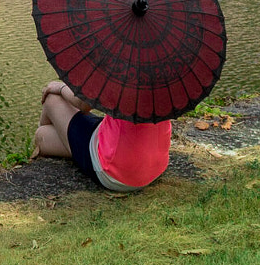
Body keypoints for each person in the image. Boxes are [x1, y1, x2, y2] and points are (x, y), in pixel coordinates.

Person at [33, 78, 171, 192]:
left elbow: (83, 104)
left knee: (52, 99)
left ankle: (40, 145)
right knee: (43, 136)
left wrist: (59, 87)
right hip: (155, 165)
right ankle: (56, 140)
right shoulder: (165, 69)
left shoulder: (122, 69)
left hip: (115, 172)